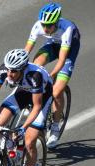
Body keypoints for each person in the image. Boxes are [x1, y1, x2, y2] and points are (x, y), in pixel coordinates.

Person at [24, 2, 81, 147]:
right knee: (35, 66)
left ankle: (55, 126)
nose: (45, 28)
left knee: (56, 91)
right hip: (52, 45)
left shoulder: (67, 28)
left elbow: (62, 59)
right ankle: (34, 101)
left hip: (68, 50)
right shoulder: (38, 26)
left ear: (56, 22)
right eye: (44, 24)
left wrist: (50, 74)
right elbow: (26, 50)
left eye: (49, 25)